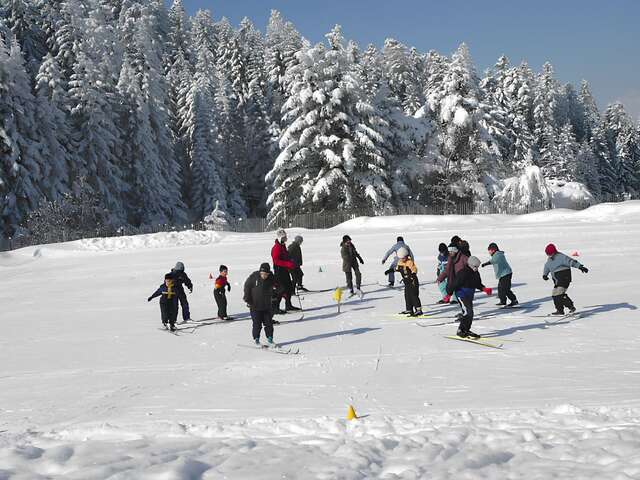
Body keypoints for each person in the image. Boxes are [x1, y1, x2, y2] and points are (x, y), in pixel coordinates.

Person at [445, 256, 492, 338]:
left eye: (477, 267)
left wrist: (484, 289)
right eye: (475, 266)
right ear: (470, 265)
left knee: (470, 313)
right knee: (468, 312)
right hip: (461, 295)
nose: (476, 268)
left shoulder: (476, 273)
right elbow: (455, 284)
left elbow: (477, 284)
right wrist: (449, 294)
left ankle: (466, 329)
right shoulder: (463, 273)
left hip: (469, 295)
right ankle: (460, 330)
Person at [543, 243, 588, 315]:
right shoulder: (549, 259)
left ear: (554, 252)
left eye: (550, 253)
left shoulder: (561, 257)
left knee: (559, 293)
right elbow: (547, 266)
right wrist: (545, 274)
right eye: (547, 254)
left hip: (564, 277)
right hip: (557, 280)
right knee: (555, 294)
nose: (549, 255)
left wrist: (580, 267)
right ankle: (559, 310)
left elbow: (571, 261)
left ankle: (571, 307)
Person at [244, 263, 276, 345]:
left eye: (266, 274)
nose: (264, 276)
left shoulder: (271, 278)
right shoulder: (254, 277)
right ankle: (256, 339)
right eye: (262, 274)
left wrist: (277, 293)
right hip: (255, 306)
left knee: (269, 324)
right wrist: (248, 299)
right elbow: (247, 287)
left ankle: (270, 339)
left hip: (267, 306)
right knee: (257, 324)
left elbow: (278, 287)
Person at [271, 228, 300, 313]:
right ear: (280, 238)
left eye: (285, 237)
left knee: (288, 287)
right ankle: (275, 308)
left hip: (284, 269)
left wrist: (291, 261)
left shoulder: (282, 246)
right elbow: (276, 261)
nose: (285, 239)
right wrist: (288, 264)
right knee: (281, 289)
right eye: (284, 237)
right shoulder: (276, 247)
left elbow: (286, 256)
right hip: (279, 270)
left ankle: (288, 305)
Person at [482, 242, 518, 307]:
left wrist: (486, 263)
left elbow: (494, 260)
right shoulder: (496, 254)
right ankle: (503, 301)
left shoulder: (498, 254)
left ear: (493, 250)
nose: (489, 252)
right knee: (500, 288)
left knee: (505, 289)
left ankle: (514, 300)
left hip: (506, 274)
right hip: (503, 274)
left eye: (489, 251)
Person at [396, 247, 423, 316]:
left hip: (412, 281)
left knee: (413, 295)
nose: (402, 259)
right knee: (407, 295)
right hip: (406, 282)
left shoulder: (410, 262)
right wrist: (391, 270)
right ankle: (409, 309)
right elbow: (397, 269)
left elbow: (414, 269)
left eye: (403, 258)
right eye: (401, 258)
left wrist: (413, 274)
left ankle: (418, 309)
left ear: (406, 256)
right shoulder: (400, 262)